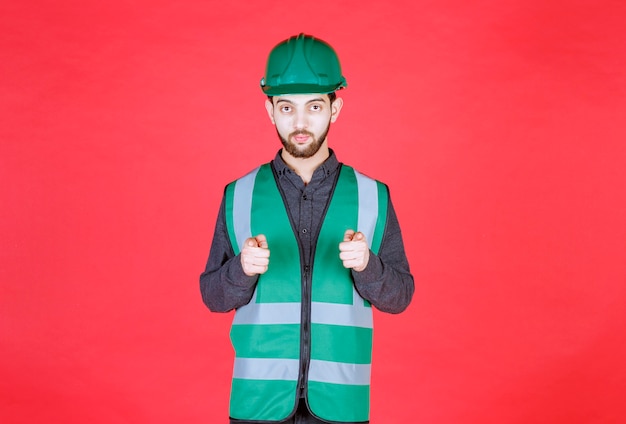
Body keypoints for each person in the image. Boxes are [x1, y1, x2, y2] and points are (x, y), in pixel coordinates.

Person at [200, 33, 414, 424]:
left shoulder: (373, 196)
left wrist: (367, 266)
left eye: (314, 106)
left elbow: (400, 297)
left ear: (335, 109)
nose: (300, 123)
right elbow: (212, 296)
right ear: (270, 111)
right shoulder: (239, 194)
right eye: (286, 108)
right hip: (257, 403)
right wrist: (240, 270)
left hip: (340, 404)